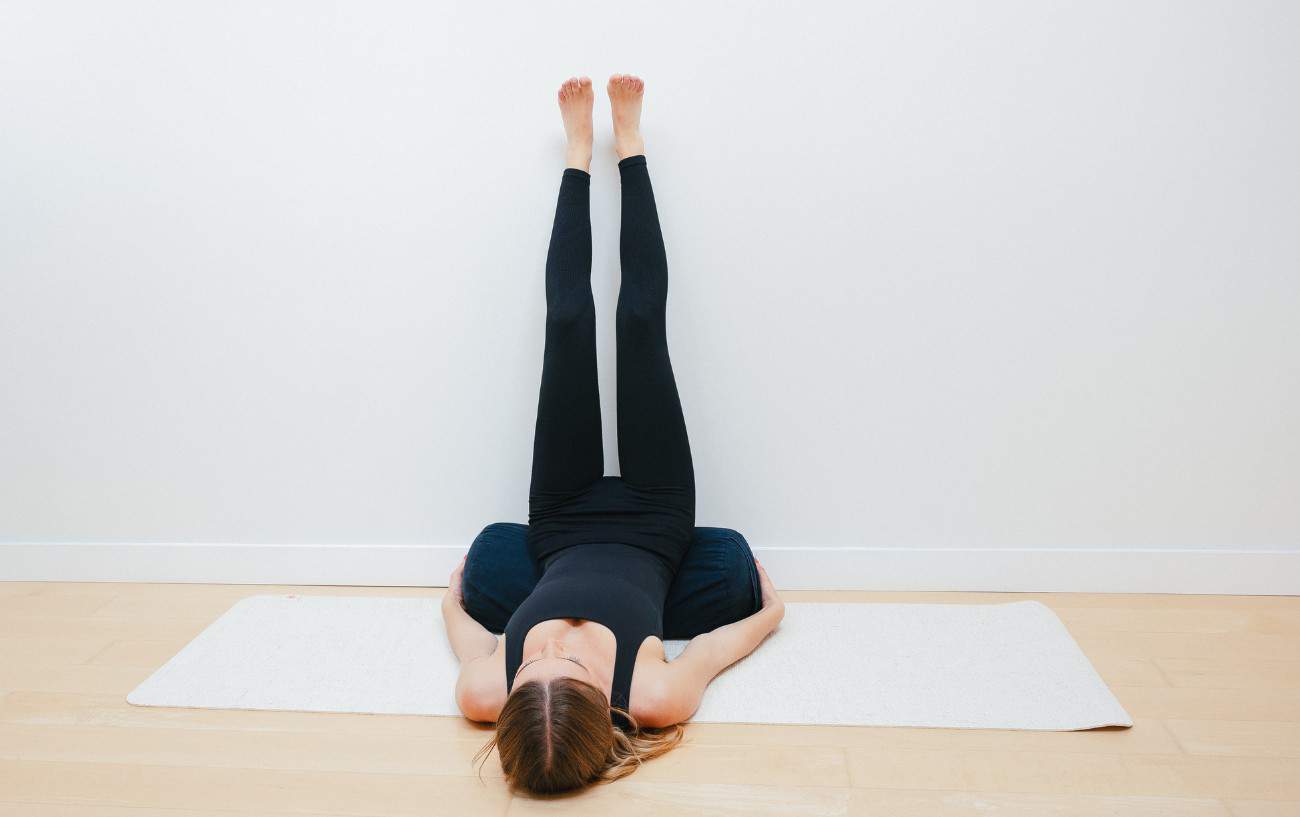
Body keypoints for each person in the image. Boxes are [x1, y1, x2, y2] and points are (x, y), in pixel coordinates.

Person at [439, 74, 785, 795]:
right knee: (637, 324)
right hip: (657, 519)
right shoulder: (652, 697)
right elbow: (714, 649)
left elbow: (474, 646)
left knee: (567, 323)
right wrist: (772, 612)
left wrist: (451, 603)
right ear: (605, 702)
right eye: (572, 667)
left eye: (532, 663)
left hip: (560, 518)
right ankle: (630, 146)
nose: (556, 648)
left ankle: (576, 154)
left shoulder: (483, 694)